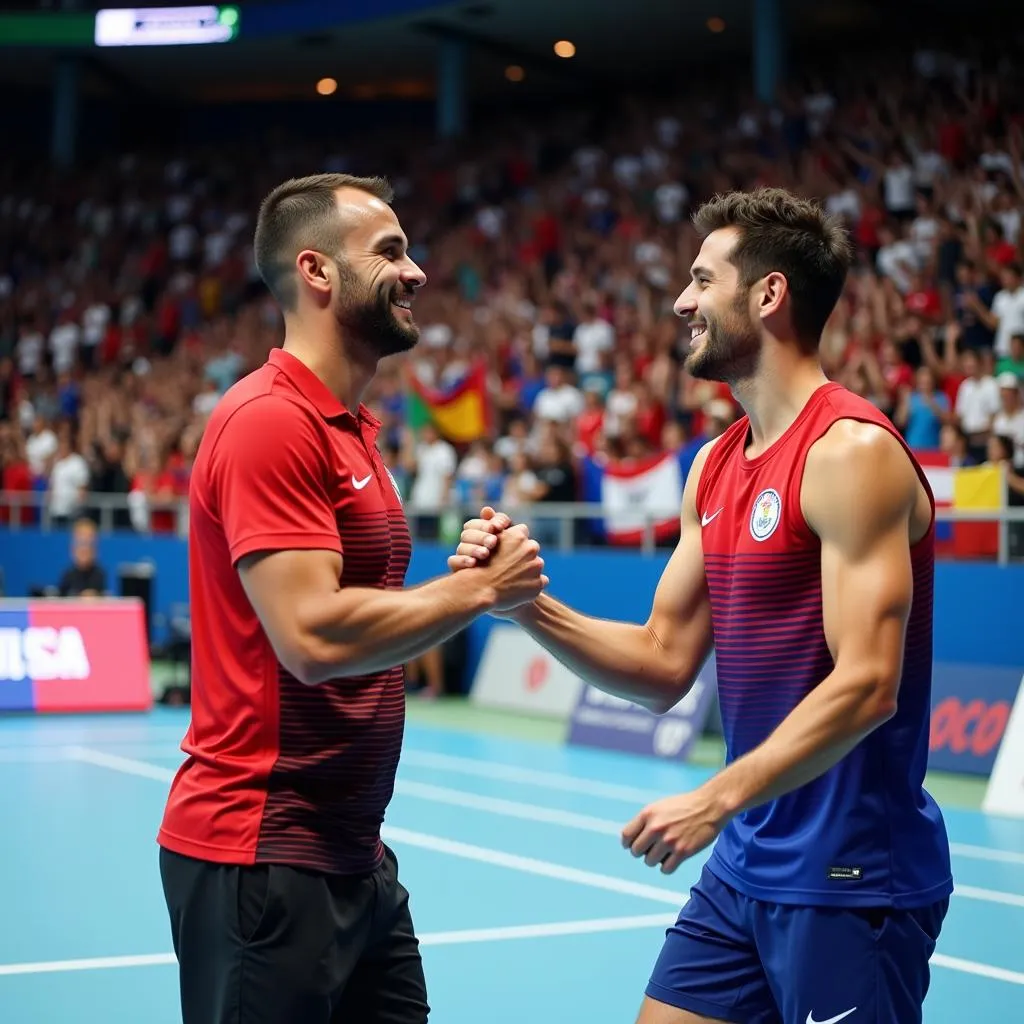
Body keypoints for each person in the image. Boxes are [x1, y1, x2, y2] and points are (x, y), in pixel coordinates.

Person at [450, 187, 953, 1024]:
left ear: (769, 295)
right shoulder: (714, 467)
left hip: (849, 875)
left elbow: (868, 685)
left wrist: (714, 798)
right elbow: (659, 664)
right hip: (745, 863)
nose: (681, 300)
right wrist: (525, 604)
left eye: (701, 279)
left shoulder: (850, 454)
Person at [156, 172, 547, 1024]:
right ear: (318, 273)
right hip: (261, 855)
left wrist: (464, 582)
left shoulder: (350, 426)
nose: (416, 274)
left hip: (351, 854)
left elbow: (363, 608)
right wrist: (477, 592)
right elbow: (313, 637)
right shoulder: (270, 421)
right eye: (391, 252)